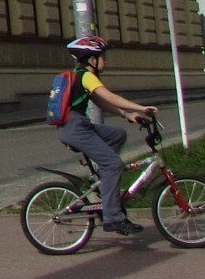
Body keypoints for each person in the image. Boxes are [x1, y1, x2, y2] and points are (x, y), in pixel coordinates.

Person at [57, 35, 156, 237]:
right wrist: (142, 108)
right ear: (92, 60)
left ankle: (104, 183)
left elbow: (101, 103)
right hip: (75, 127)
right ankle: (113, 218)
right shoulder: (86, 75)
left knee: (117, 135)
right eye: (103, 57)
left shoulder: (81, 76)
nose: (106, 61)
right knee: (114, 165)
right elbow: (110, 97)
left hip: (78, 125)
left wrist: (128, 115)